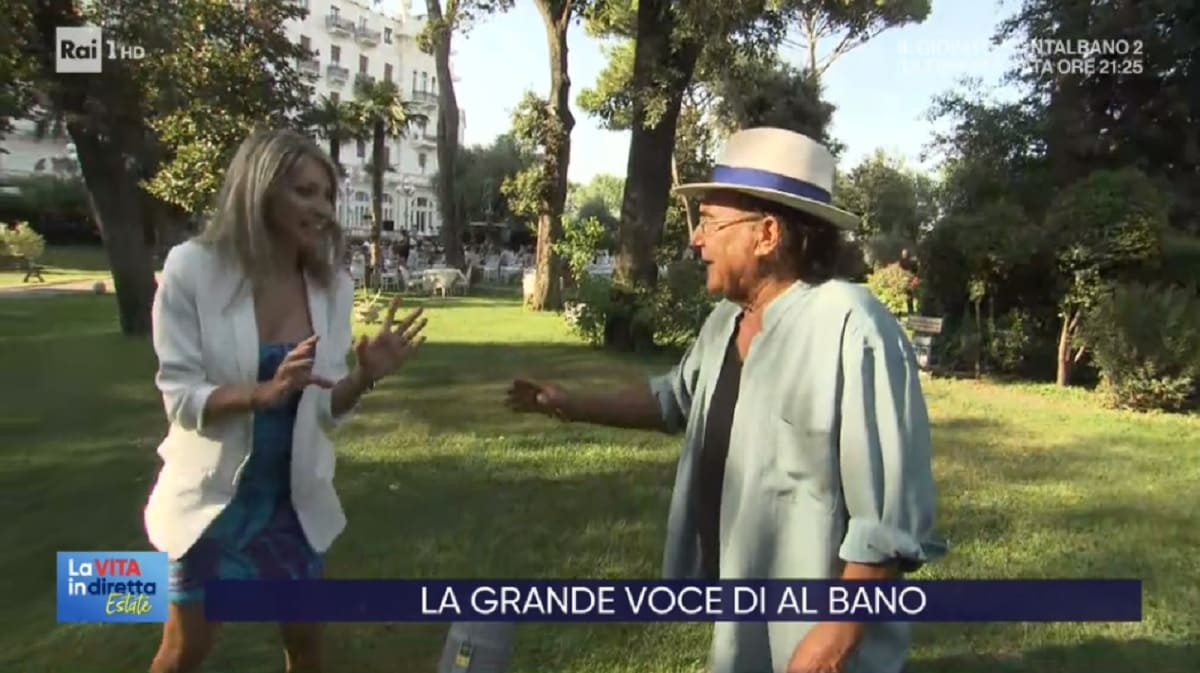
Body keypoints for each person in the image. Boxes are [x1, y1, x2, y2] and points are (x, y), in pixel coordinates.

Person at [506, 128, 945, 673]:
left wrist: (832, 641)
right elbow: (674, 399)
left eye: (711, 223)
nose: (695, 240)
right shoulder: (726, 322)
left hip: (816, 639)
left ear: (766, 233)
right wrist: (567, 401)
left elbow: (888, 518)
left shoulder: (852, 326)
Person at [145, 128, 428, 673]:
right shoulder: (193, 269)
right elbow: (179, 399)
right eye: (305, 192)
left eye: (327, 195)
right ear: (260, 190)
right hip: (212, 503)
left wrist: (364, 378)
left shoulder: (332, 288)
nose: (322, 208)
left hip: (293, 501)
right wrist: (261, 392)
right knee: (185, 651)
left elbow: (323, 406)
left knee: (305, 647)